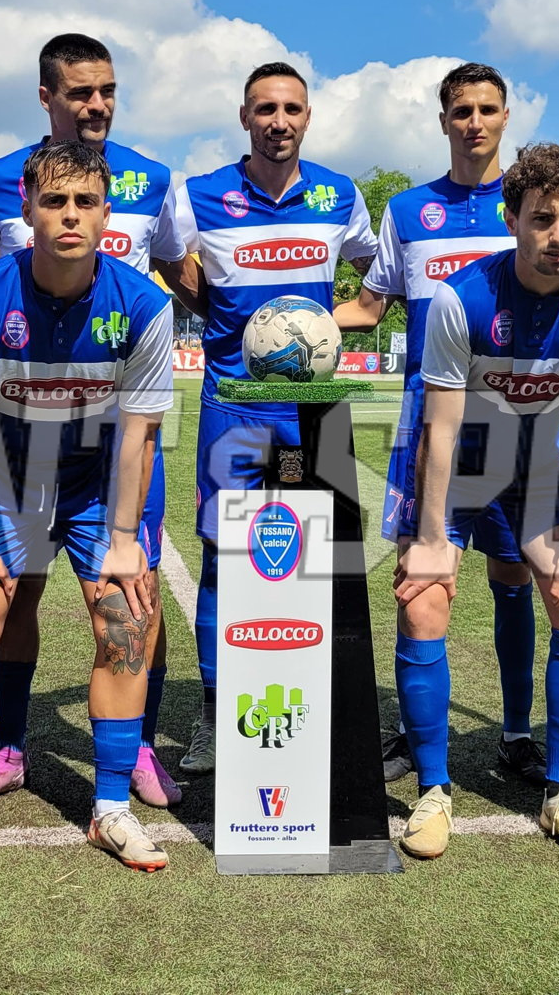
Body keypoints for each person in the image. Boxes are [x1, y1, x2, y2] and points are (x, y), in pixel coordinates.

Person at [0, 33, 185, 808]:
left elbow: (183, 273)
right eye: (80, 91)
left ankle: (133, 756)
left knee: (132, 603)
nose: (96, 104)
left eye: (107, 90)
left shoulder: (153, 181)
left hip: (106, 446)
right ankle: (7, 744)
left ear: (108, 206)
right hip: (16, 448)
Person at [392, 143, 559, 862]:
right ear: (513, 219)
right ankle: (433, 791)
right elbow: (438, 425)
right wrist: (433, 533)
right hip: (457, 461)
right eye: (541, 219)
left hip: (535, 465)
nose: (557, 235)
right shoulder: (462, 298)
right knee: (424, 597)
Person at [333, 61, 547, 786]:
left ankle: (516, 733)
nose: (475, 122)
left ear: (507, 117)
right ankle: (412, 738)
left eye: (488, 109)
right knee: (420, 584)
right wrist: (282, 320)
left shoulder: (535, 212)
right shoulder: (408, 212)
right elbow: (367, 308)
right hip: (430, 430)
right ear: (444, 120)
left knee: (512, 578)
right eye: (462, 111)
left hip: (517, 428)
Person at [170, 61, 378, 775]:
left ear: (308, 117)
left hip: (313, 411)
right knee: (225, 558)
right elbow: (170, 260)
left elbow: (376, 280)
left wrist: (326, 321)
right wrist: (222, 315)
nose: (279, 120)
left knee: (313, 558)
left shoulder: (339, 195)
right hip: (236, 407)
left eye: (291, 108)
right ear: (244, 116)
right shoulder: (200, 196)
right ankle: (213, 708)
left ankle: (305, 704)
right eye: (265, 108)